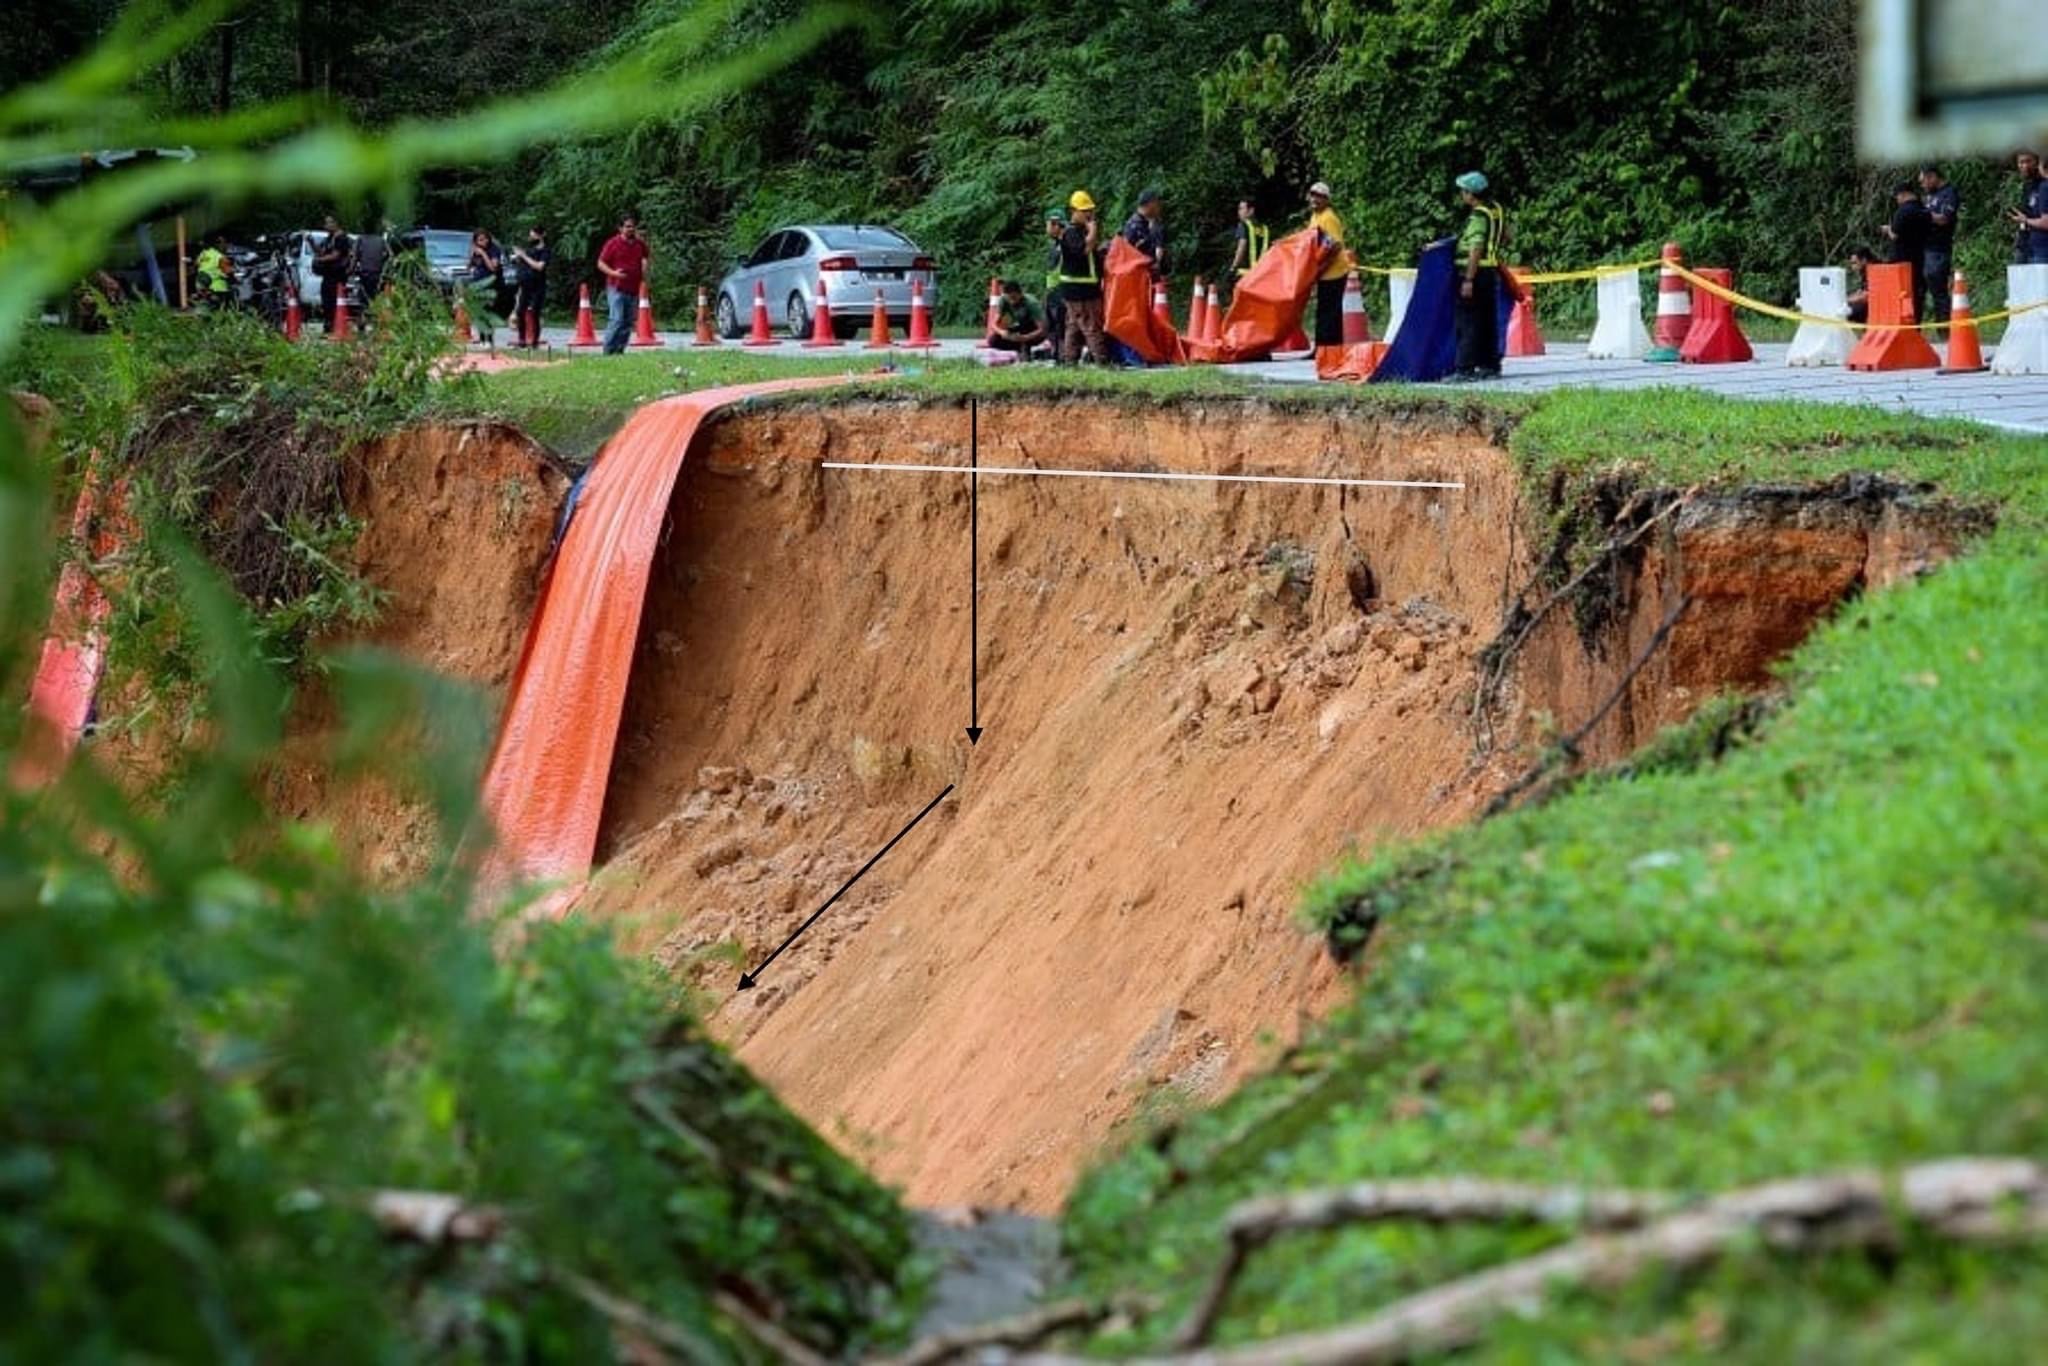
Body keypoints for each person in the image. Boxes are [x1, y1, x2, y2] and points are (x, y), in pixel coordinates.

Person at [1451, 171, 1507, 381]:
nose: (1461, 195)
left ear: (1471, 194)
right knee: (1487, 321)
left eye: (1463, 191)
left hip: (1475, 272)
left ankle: (1464, 369)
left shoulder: (1477, 216)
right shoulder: (1495, 210)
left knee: (1468, 321)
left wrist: (1468, 279)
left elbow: (1476, 247)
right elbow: (1506, 236)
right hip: (1490, 272)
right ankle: (1490, 366)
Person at [1057, 190, 1111, 365]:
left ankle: (1070, 360)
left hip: (1080, 288)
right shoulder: (1072, 232)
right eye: (1084, 210)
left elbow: (1089, 255)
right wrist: (1094, 231)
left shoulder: (1080, 231)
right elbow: (1083, 251)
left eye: (1090, 210)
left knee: (1073, 326)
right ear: (1074, 211)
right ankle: (1102, 361)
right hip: (1080, 290)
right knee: (1091, 326)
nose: (1089, 214)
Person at [1305, 181, 1351, 352]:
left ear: (1327, 200)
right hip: (1323, 271)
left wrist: (1320, 268)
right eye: (1313, 195)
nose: (1315, 199)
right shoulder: (1315, 217)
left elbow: (1336, 246)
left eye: (1319, 196)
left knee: (1329, 313)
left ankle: (1328, 349)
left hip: (1334, 272)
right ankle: (1323, 349)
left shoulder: (1329, 218)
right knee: (1324, 311)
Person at [596, 213, 651, 355]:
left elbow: (645, 256)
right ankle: (608, 350)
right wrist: (613, 273)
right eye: (627, 227)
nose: (631, 229)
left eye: (633, 226)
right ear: (620, 228)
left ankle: (619, 351)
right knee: (617, 319)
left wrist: (644, 268)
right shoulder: (612, 243)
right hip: (616, 287)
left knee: (627, 322)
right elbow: (600, 263)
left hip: (633, 287)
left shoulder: (640, 244)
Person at [1880, 182, 1930, 322]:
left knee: (1902, 293)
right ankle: (1916, 324)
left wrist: (1888, 229)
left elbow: (1895, 234)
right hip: (1919, 258)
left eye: (1897, 196)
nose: (1897, 200)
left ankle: (1902, 322)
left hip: (1901, 261)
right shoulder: (1924, 209)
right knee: (1917, 293)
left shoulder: (1903, 211)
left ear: (1903, 194)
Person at [1917, 164, 1959, 324]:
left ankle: (1945, 329)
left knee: (1938, 290)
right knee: (1922, 288)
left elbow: (1944, 219)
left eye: (1923, 181)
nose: (1922, 185)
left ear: (1932, 177)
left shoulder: (1949, 193)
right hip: (1924, 247)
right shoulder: (1929, 195)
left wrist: (1923, 215)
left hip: (1938, 248)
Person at [509, 225, 551, 347]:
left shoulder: (545, 251)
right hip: (525, 285)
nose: (531, 238)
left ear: (541, 235)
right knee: (520, 312)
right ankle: (521, 339)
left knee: (535, 313)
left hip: (538, 286)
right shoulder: (529, 249)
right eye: (530, 235)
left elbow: (539, 266)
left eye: (533, 235)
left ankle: (534, 341)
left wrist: (524, 256)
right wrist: (517, 256)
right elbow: (519, 260)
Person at [465, 229, 507, 344]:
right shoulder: (476, 250)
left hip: (490, 282)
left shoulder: (493, 250)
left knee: (488, 310)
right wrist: (471, 254)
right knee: (478, 310)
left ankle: (489, 338)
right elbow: (468, 267)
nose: (483, 242)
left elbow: (493, 267)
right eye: (479, 240)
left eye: (485, 239)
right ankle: (481, 336)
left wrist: (484, 254)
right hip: (477, 283)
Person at [312, 215, 353, 333]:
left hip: (337, 274)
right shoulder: (329, 238)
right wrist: (312, 243)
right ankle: (328, 323)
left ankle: (335, 324)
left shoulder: (341, 238)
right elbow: (322, 252)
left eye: (329, 223)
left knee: (334, 300)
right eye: (325, 223)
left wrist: (321, 260)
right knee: (326, 299)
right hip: (328, 274)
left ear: (336, 223)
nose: (326, 226)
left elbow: (336, 255)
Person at [989, 279, 1049, 357]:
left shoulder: (1031, 303)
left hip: (1033, 328)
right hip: (1018, 326)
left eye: (1014, 298)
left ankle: (1026, 348)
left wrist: (1026, 338)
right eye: (1009, 298)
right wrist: (1002, 332)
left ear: (1020, 294)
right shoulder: (1003, 300)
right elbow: (993, 324)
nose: (1012, 301)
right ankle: (1020, 348)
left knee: (1026, 331)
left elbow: (1042, 329)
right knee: (993, 340)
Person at [2012, 150, 2048, 265]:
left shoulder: (2044, 185)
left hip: (2042, 247)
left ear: (2037, 162)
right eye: (2021, 162)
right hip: (2025, 244)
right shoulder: (2027, 185)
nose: (2025, 166)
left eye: (2028, 161)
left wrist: (2025, 220)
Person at [1121, 188, 1167, 277]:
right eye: (1157, 203)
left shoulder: (1149, 224)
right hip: (1138, 278)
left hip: (1149, 276)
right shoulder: (1133, 227)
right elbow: (1128, 258)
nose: (1159, 207)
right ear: (1150, 204)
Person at [1042, 208, 1069, 351]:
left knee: (1061, 327)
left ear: (1055, 225)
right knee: (1054, 326)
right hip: (1053, 291)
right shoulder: (1056, 244)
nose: (1047, 229)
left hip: (1060, 292)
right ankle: (1057, 353)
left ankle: (1062, 355)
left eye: (1048, 224)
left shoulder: (1065, 244)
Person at [1230, 198, 1270, 280]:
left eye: (1241, 208)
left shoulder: (1243, 226)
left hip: (1244, 274)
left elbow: (1242, 247)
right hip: (1262, 274)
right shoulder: (1265, 229)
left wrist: (1233, 267)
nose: (1239, 212)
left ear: (1251, 210)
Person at [194, 232, 233, 310]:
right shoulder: (220, 257)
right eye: (224, 243)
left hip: (203, 286)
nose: (225, 245)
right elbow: (228, 271)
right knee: (223, 308)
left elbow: (196, 264)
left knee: (207, 307)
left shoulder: (204, 253)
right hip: (218, 288)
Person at [350, 225, 389, 302]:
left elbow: (354, 256)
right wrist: (382, 260)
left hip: (365, 272)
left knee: (364, 297)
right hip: (377, 272)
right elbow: (390, 254)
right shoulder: (381, 240)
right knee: (375, 296)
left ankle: (365, 310)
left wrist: (351, 269)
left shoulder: (360, 239)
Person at [1845, 245, 1874, 324]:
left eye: (1855, 263)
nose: (1852, 267)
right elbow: (1861, 291)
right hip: (1870, 303)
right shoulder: (1864, 271)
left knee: (1850, 310)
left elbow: (1868, 295)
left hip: (1876, 306)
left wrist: (1847, 300)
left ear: (1864, 260)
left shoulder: (1875, 271)